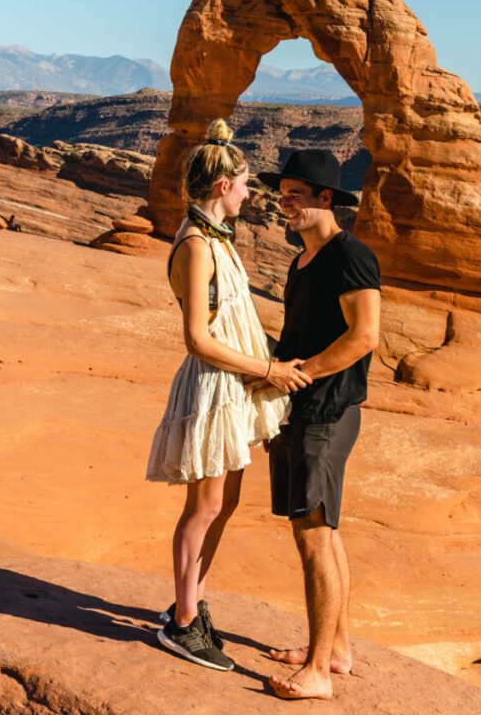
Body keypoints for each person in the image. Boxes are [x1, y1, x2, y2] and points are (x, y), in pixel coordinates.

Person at [146, 119, 311, 672]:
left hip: (235, 385)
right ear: (222, 188)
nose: (249, 193)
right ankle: (184, 623)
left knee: (226, 503)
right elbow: (196, 338)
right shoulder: (196, 245)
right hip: (216, 386)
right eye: (243, 184)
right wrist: (268, 368)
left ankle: (189, 604)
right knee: (206, 505)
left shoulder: (217, 237)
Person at [257, 149, 381, 701]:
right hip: (303, 409)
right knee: (323, 534)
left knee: (313, 537)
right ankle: (335, 650)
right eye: (281, 195)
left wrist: (298, 376)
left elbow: (364, 336)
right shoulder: (302, 259)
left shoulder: (349, 256)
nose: (284, 205)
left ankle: (318, 676)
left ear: (325, 199)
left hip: (326, 412)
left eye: (294, 196)